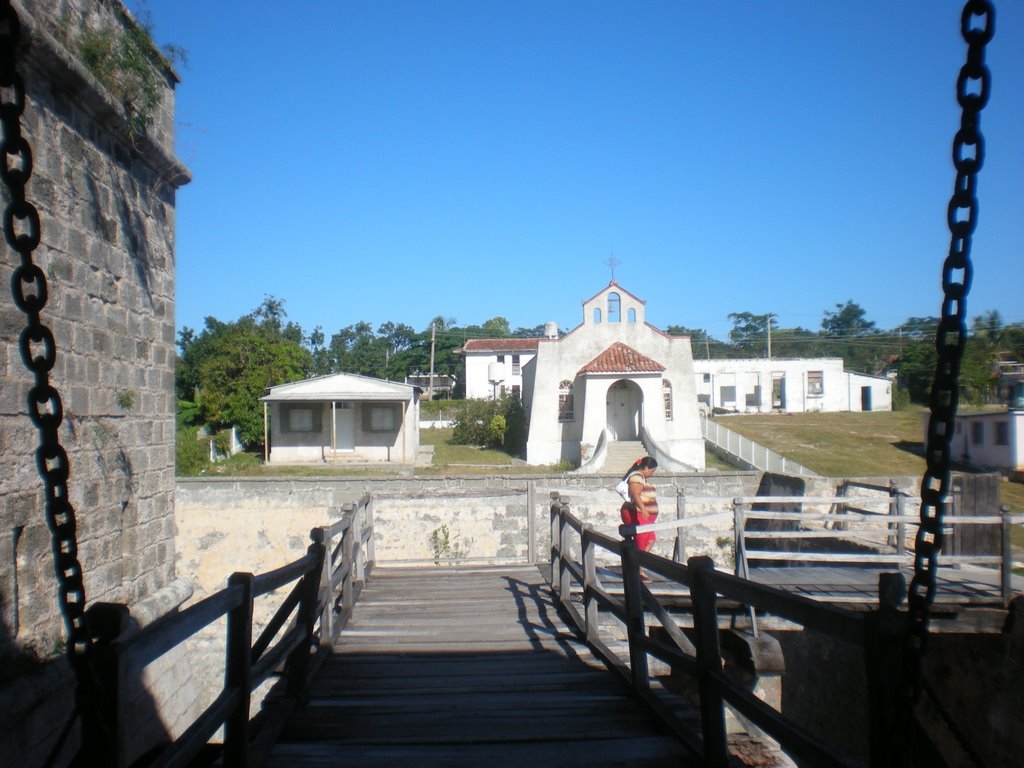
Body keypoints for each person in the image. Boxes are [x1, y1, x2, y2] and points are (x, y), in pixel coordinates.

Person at [619, 456, 659, 554]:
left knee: (650, 540)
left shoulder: (641, 478)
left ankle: (639, 565)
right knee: (642, 541)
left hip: (643, 515)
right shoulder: (637, 476)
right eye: (652, 471)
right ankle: (637, 567)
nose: (652, 474)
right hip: (637, 513)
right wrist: (643, 508)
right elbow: (635, 494)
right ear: (646, 468)